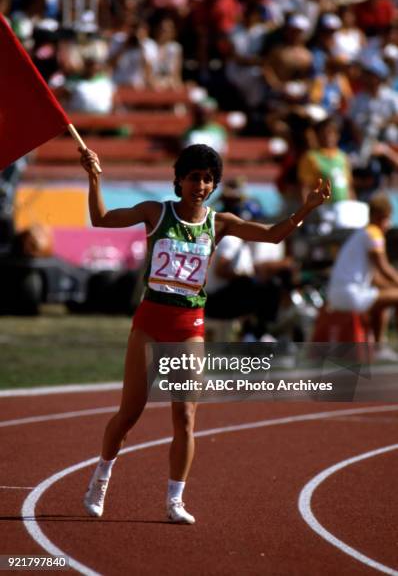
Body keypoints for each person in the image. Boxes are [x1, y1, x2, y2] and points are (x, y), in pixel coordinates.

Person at [79, 143, 330, 524]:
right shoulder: (155, 212)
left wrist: (307, 209)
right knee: (130, 414)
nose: (200, 185)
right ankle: (101, 475)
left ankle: (174, 499)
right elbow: (100, 218)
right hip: (150, 322)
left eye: (208, 179)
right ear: (178, 180)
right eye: (194, 177)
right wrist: (94, 177)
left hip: (188, 326)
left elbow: (273, 235)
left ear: (214, 185)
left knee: (185, 417)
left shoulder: (219, 222)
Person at [327, 192, 398, 361]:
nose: (387, 225)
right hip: (350, 295)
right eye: (386, 219)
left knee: (384, 298)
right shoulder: (374, 233)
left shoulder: (360, 234)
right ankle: (380, 348)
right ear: (379, 217)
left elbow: (376, 279)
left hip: (338, 295)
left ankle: (377, 346)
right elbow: (384, 268)